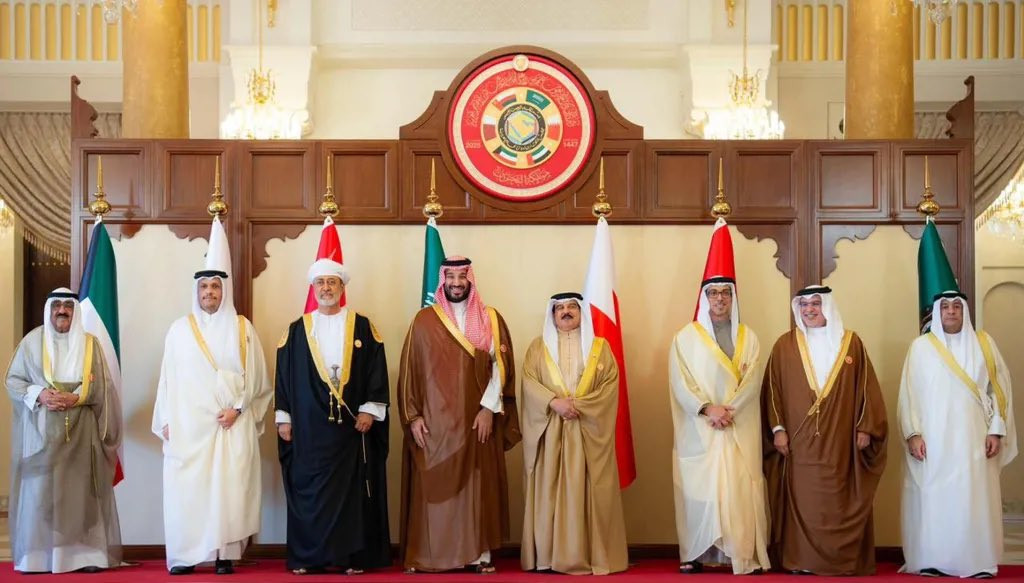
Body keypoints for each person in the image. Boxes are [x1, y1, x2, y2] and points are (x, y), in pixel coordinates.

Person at [152, 220, 272, 575]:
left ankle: (224, 555)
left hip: (229, 426)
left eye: (215, 286)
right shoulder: (179, 330)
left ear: (224, 291)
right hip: (189, 430)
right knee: (188, 492)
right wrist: (165, 419)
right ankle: (186, 556)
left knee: (228, 492)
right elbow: (167, 380)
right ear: (196, 291)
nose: (209, 292)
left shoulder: (242, 328)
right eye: (204, 287)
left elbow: (258, 379)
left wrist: (238, 409)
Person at [397, 256, 521, 574]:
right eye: (450, 277)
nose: (455, 283)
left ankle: (477, 555)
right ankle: (432, 555)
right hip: (434, 423)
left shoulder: (490, 318)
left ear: (470, 280)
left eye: (461, 277)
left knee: (477, 487)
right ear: (442, 280)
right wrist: (413, 416)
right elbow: (410, 369)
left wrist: (488, 409)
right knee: (434, 487)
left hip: (476, 420)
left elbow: (500, 368)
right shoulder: (424, 320)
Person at [760, 285, 887, 576]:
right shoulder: (784, 345)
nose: (809, 310)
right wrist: (778, 429)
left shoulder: (851, 343)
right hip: (798, 443)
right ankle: (801, 561)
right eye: (804, 304)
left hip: (841, 442)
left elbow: (867, 388)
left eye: (815, 303)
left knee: (838, 499)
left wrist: (866, 427)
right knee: (804, 500)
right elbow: (772, 390)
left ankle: (839, 562)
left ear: (826, 306)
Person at [275, 259, 391, 574]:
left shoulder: (363, 327)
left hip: (351, 430)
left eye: (332, 282)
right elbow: (283, 377)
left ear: (342, 287)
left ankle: (348, 558)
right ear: (313, 288)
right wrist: (284, 418)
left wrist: (369, 410)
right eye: (321, 283)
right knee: (309, 491)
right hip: (308, 430)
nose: (326, 288)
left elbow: (376, 371)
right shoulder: (296, 330)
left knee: (351, 494)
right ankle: (309, 558)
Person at [898, 291, 1017, 578]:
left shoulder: (984, 344)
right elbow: (908, 394)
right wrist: (913, 434)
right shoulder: (920, 347)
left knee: (973, 498)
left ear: (964, 311)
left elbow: (999, 391)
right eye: (945, 307)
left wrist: (996, 430)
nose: (951, 312)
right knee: (933, 497)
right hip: (933, 438)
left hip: (973, 437)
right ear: (937, 312)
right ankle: (933, 560)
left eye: (956, 307)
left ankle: (979, 562)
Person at [5, 288, 122, 573]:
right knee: (41, 495)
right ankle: (38, 559)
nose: (62, 310)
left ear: (74, 310)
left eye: (67, 306)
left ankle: (84, 557)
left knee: (80, 497)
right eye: (56, 305)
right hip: (42, 436)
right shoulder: (32, 342)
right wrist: (41, 394)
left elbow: (103, 386)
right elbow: (13, 381)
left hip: (82, 435)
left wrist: (77, 397)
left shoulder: (91, 345)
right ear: (49, 309)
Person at [520, 292, 627, 575]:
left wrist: (579, 406)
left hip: (586, 431)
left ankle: (590, 556)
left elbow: (609, 385)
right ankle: (547, 557)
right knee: (549, 492)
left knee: (588, 491)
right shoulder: (537, 348)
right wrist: (554, 403)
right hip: (550, 432)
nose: (566, 312)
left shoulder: (600, 347)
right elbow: (529, 383)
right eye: (560, 308)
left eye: (572, 307)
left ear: (581, 313)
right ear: (552, 315)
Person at [669, 274, 769, 575]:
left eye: (726, 293)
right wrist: (708, 409)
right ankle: (696, 553)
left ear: (733, 298)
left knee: (738, 491)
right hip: (701, 428)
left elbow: (752, 380)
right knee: (701, 492)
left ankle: (740, 554)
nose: (720, 298)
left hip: (737, 425)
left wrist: (728, 411)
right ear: (705, 298)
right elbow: (680, 381)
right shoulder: (685, 338)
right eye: (713, 293)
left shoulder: (748, 337)